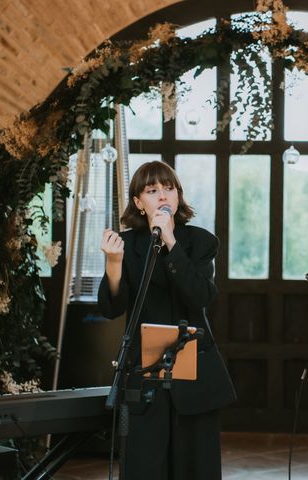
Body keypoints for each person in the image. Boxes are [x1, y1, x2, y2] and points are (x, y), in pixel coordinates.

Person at [99, 161, 236, 479]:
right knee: (145, 467)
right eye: (152, 190)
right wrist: (114, 263)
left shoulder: (200, 242)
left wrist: (171, 242)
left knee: (194, 468)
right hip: (142, 375)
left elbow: (200, 295)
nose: (162, 195)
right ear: (138, 202)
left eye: (169, 188)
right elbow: (111, 308)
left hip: (193, 372)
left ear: (178, 195)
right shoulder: (128, 244)